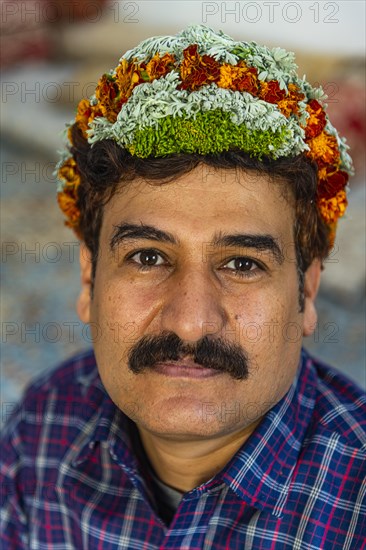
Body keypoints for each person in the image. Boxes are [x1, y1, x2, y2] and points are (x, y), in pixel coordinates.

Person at [1, 25, 365, 549]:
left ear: (306, 294)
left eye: (242, 264)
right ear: (89, 278)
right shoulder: (42, 426)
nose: (191, 321)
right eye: (148, 257)